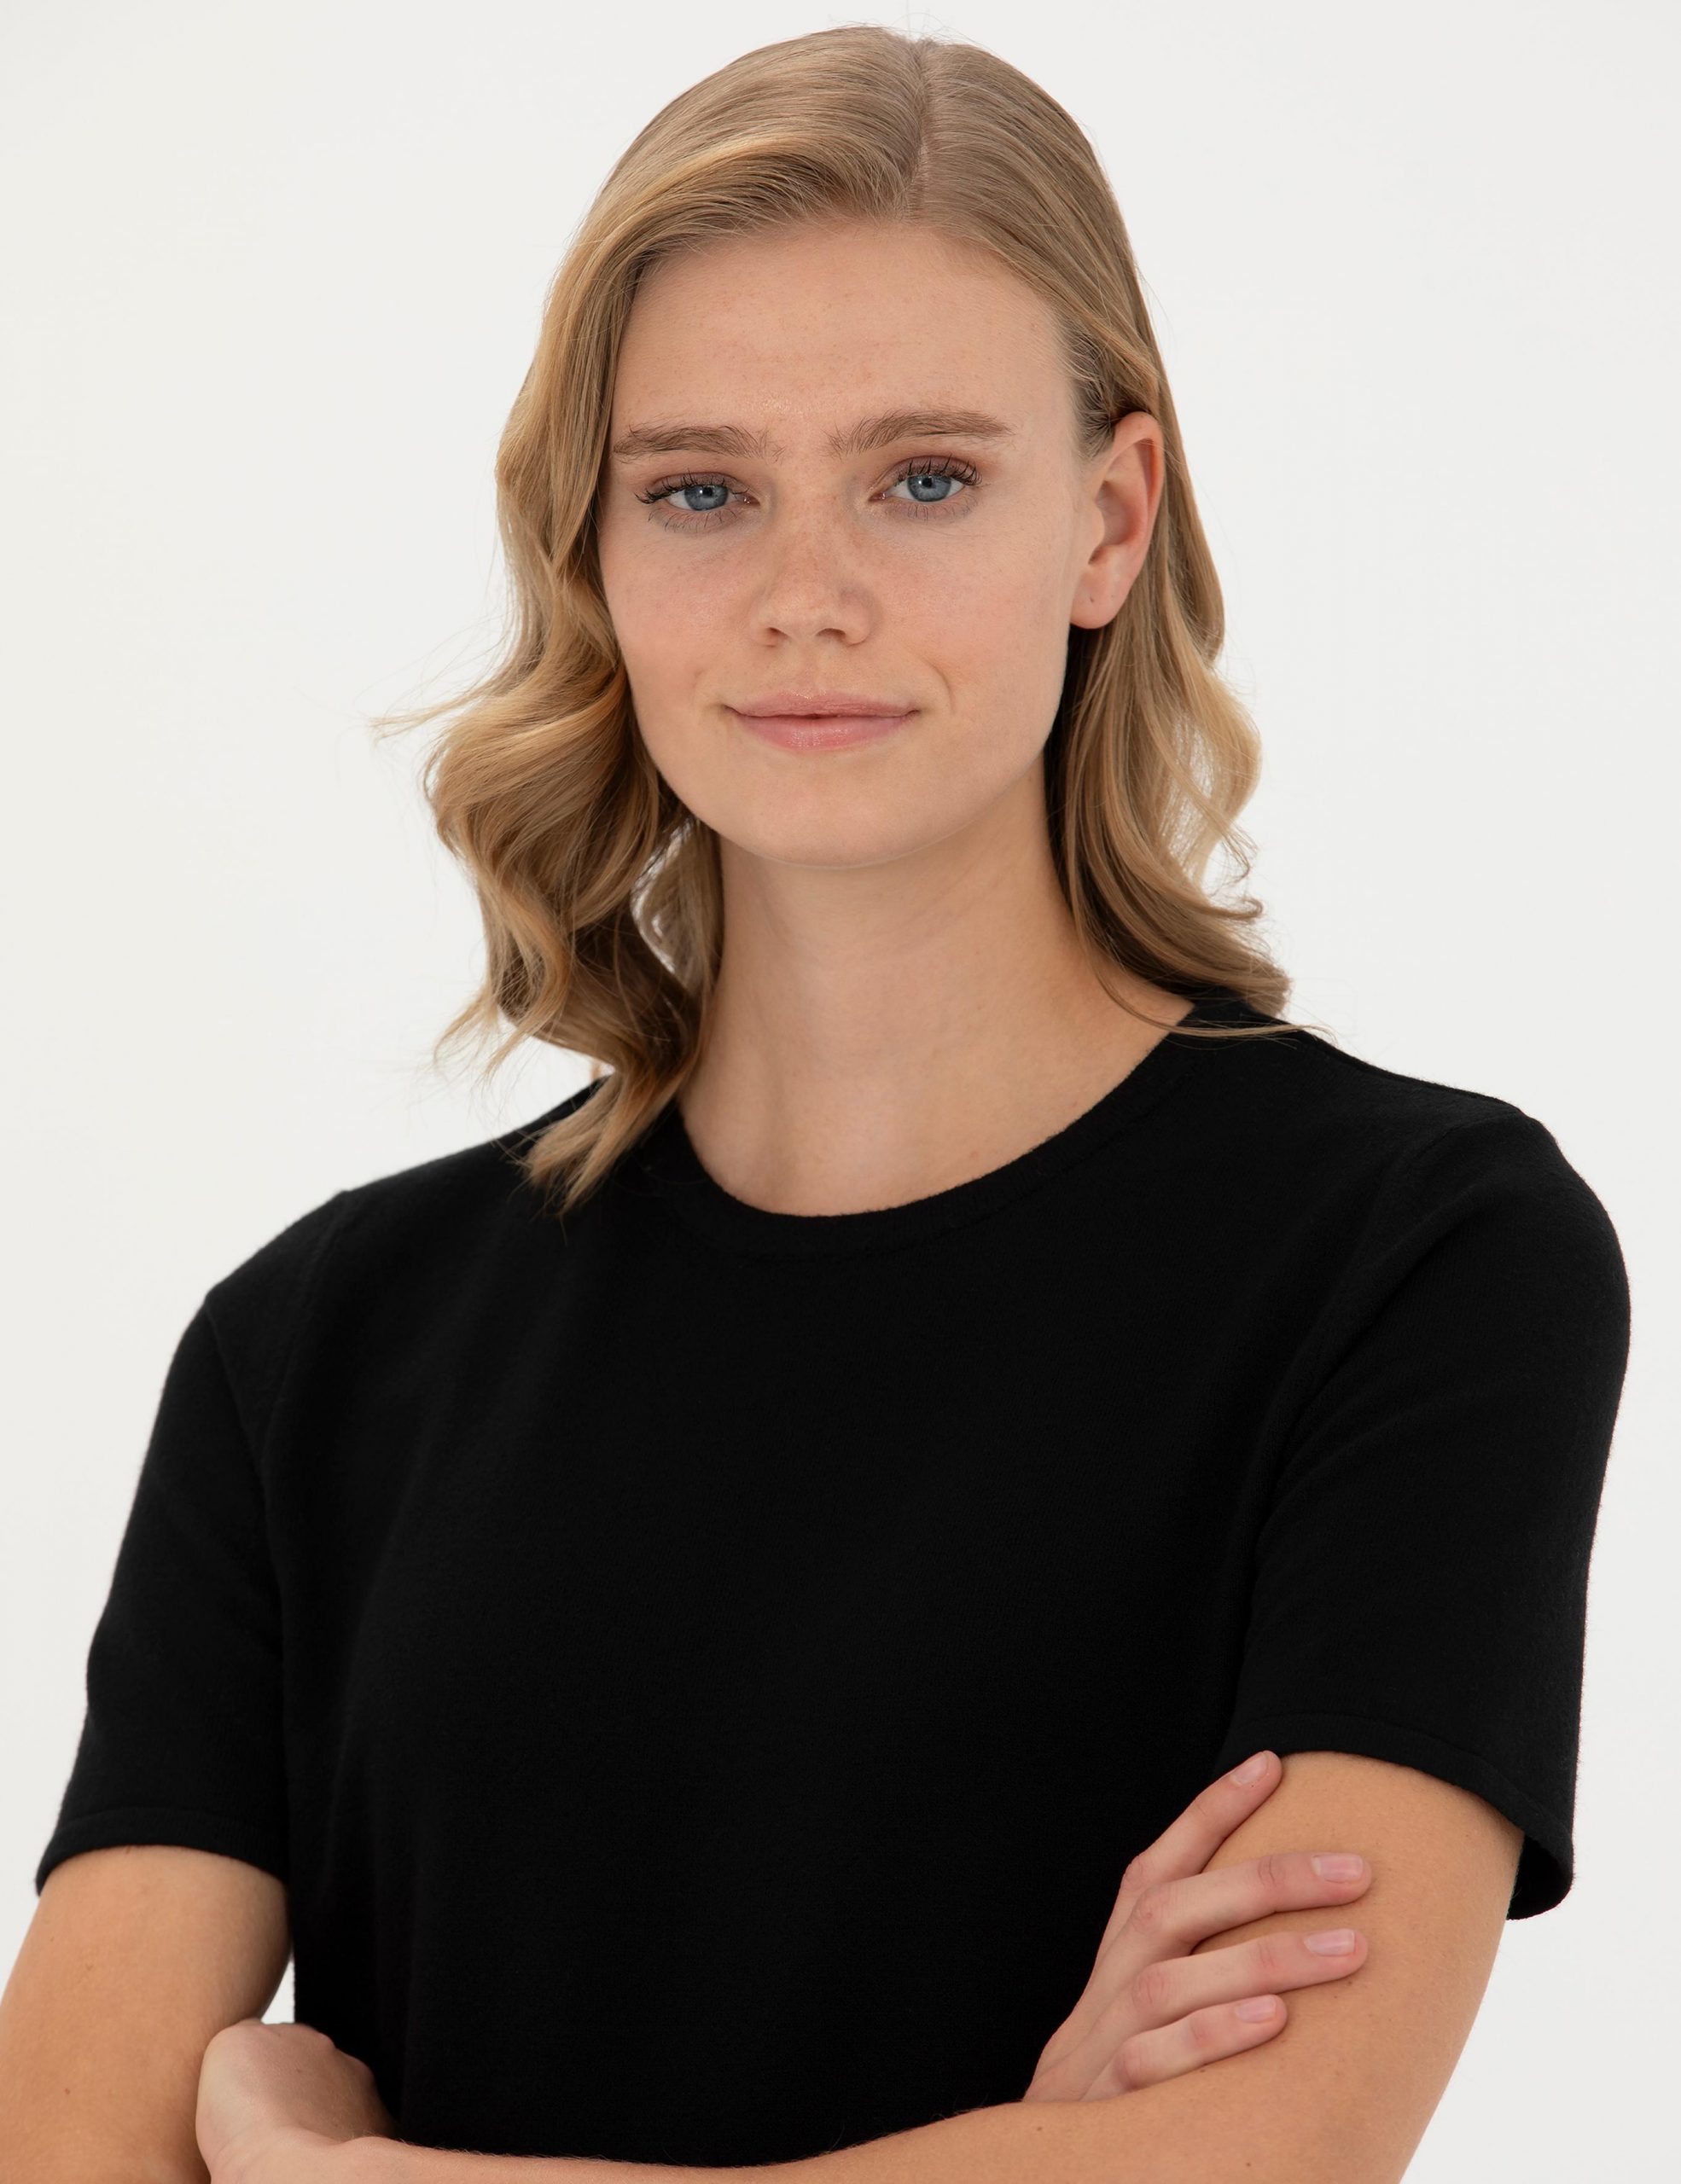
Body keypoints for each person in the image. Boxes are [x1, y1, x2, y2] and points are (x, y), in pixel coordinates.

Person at [19, 23, 1630, 2179]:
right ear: (593, 550)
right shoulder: (314, 1346)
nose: (805, 595)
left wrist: (355, 2176)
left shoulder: (1415, 1256)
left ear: (1110, 518)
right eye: (700, 489)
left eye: (924, 477)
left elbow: (1277, 2144)